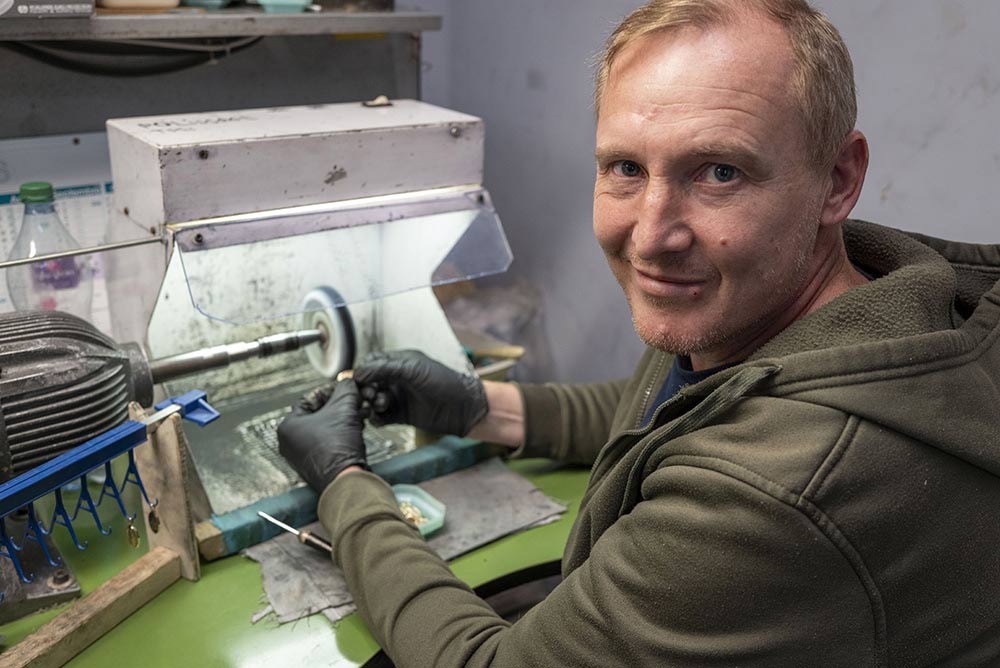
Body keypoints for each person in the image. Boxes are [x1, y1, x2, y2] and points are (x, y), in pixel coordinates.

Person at [277, 0, 1000, 665]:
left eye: (719, 172)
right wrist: (479, 407)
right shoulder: (849, 296)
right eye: (625, 167)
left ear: (838, 180)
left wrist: (344, 486)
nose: (651, 236)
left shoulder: (780, 492)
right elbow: (666, 412)